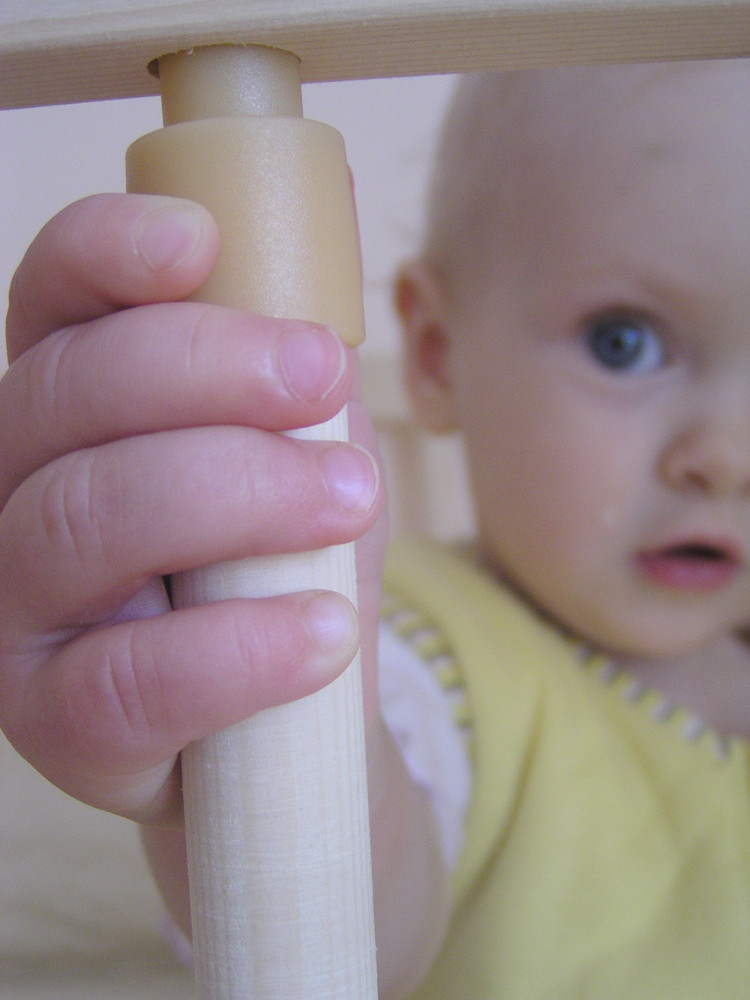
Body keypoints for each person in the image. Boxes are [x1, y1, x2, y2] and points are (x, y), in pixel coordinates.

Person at [2, 57, 750, 998]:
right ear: (436, 356)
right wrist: (246, 699)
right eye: (625, 341)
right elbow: (352, 902)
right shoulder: (410, 659)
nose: (725, 454)